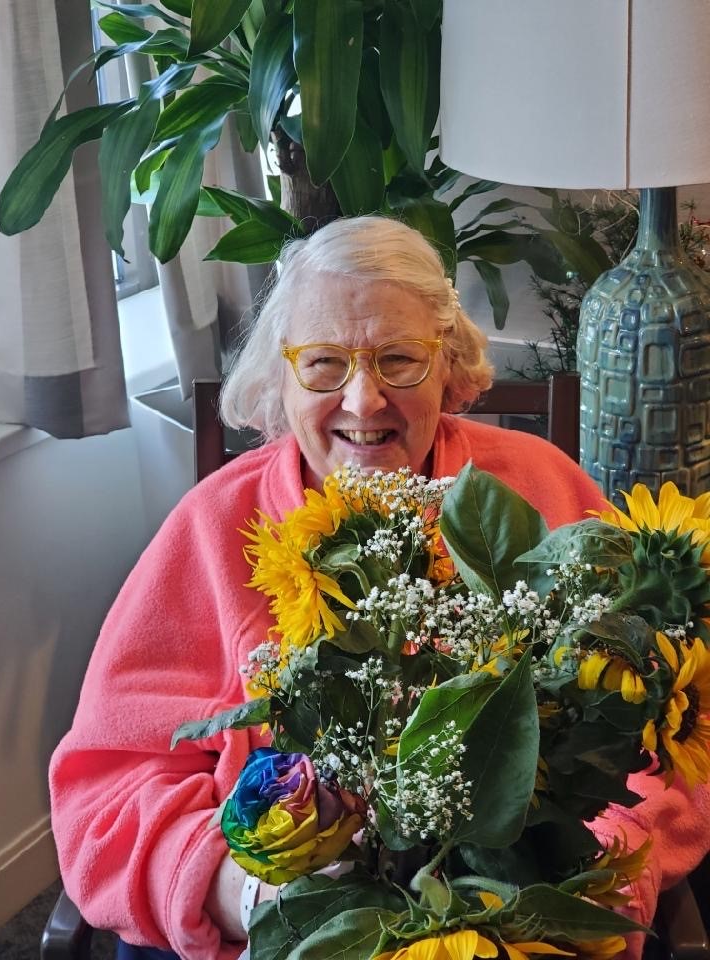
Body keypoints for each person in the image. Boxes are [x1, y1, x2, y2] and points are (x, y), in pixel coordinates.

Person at [50, 216, 710, 960]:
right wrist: (251, 897)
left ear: (449, 367)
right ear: (279, 378)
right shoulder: (210, 529)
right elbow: (106, 793)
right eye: (324, 363)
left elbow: (663, 738)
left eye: (399, 360)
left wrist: (580, 885)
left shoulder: (541, 488)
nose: (364, 402)